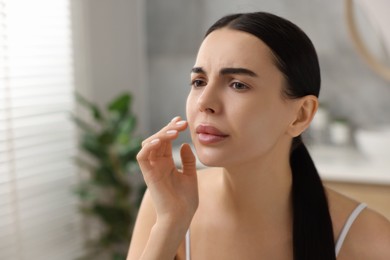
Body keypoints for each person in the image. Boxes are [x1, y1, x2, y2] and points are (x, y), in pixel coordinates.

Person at [127, 12, 390, 260]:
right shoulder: (166, 206)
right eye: (199, 82)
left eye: (238, 85)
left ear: (300, 115)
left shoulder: (372, 240)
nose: (205, 102)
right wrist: (171, 223)